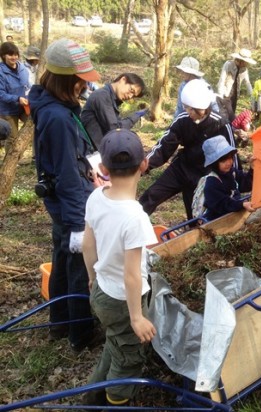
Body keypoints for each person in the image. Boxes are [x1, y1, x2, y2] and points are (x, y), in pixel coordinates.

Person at [29, 38, 103, 352]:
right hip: (72, 205)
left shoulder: (59, 107)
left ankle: (59, 324)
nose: (83, 87)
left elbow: (71, 160)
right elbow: (66, 175)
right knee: (77, 269)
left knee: (61, 261)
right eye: (79, 81)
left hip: (63, 201)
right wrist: (77, 224)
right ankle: (81, 335)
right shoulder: (58, 118)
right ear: (66, 80)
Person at [82, 129, 158, 408]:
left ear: (103, 168)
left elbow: (88, 244)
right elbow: (131, 274)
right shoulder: (135, 218)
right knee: (129, 358)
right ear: (144, 164)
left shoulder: (96, 197)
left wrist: (92, 277)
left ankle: (92, 398)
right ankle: (116, 401)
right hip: (123, 302)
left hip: (101, 290)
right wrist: (137, 317)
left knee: (115, 344)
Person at [139, 79, 239, 219]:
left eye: (192, 109)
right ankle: (130, 224)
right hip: (181, 168)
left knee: (196, 216)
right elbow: (164, 146)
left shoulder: (220, 125)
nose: (188, 112)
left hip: (203, 175)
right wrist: (143, 166)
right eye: (186, 107)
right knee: (150, 196)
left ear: (204, 106)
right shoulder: (183, 120)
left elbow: (232, 157)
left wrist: (232, 186)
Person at [81, 73, 147, 146]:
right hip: (91, 152)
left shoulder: (112, 99)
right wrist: (135, 117)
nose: (130, 96)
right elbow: (115, 130)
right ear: (123, 79)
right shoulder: (102, 96)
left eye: (133, 96)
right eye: (131, 90)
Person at [199, 135, 255, 221]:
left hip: (234, 212)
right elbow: (223, 204)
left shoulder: (232, 172)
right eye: (223, 160)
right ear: (214, 163)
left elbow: (246, 184)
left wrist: (252, 169)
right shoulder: (212, 183)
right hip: (218, 219)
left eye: (230, 158)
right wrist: (241, 204)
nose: (229, 162)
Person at [0, 41, 30, 153]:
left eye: (15, 54)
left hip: (23, 106)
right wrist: (17, 99)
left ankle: (33, 155)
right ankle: (9, 164)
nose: (14, 57)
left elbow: (27, 85)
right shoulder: (1, 72)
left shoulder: (22, 68)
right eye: (10, 55)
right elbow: (1, 94)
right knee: (12, 138)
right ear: (3, 56)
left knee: (34, 124)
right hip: (7, 110)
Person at [217, 48, 256, 112]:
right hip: (225, 94)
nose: (246, 64)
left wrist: (253, 98)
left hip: (235, 96)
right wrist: (220, 97)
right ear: (240, 61)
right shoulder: (228, 64)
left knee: (232, 114)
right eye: (245, 62)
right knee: (224, 114)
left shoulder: (244, 70)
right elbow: (222, 80)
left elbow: (247, 83)